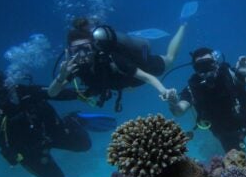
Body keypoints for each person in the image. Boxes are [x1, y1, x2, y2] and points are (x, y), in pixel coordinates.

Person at [0, 70, 102, 177]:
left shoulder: (26, 92)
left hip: (51, 133)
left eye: (0, 88)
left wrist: (85, 93)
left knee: (84, 144)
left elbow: (54, 93)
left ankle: (72, 120)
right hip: (27, 152)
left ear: (8, 84)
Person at [48, 16, 187, 110]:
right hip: (121, 83)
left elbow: (147, 77)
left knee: (170, 59)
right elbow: (52, 93)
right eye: (76, 50)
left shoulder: (111, 58)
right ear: (69, 51)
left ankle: (183, 24)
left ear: (93, 46)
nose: (82, 54)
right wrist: (60, 78)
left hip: (139, 70)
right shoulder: (72, 67)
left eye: (85, 48)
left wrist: (164, 91)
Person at [167, 47, 246, 152]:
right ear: (195, 69)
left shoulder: (231, 74)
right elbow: (179, 110)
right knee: (238, 170)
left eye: (208, 65)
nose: (205, 71)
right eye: (200, 67)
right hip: (226, 133)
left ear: (216, 63)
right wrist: (173, 102)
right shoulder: (193, 88)